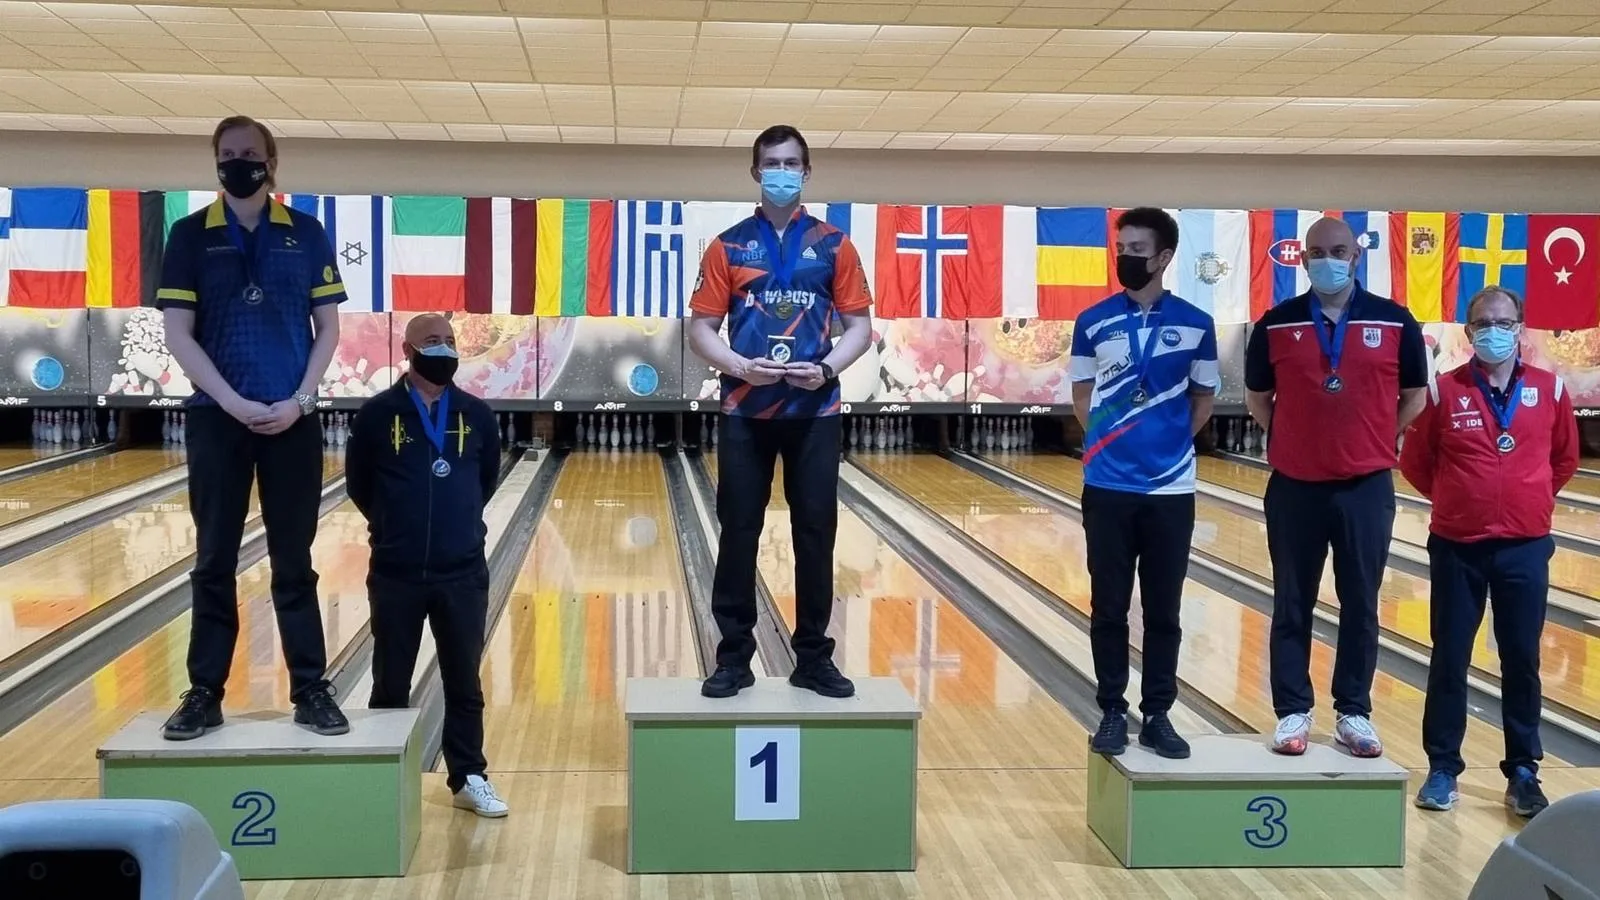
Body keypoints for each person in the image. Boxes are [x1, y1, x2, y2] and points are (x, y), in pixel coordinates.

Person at [156, 115, 348, 740]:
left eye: (251, 154)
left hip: (292, 421)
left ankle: (311, 689)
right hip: (218, 420)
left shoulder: (307, 233)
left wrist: (299, 398)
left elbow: (329, 331)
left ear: (273, 163)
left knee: (294, 561)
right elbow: (178, 335)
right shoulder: (188, 236)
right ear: (216, 161)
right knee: (213, 560)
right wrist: (232, 401)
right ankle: (205, 691)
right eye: (229, 154)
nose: (240, 163)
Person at [687, 124, 873, 699]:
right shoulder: (727, 245)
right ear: (755, 171)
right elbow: (701, 329)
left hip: (815, 410)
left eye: (792, 163)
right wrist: (740, 366)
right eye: (772, 162)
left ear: (807, 172)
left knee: (815, 534)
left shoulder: (836, 245)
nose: (782, 172)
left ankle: (813, 657)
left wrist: (826, 369)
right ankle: (733, 657)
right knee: (739, 533)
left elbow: (860, 328)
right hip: (745, 410)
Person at [1244, 216, 1428, 758]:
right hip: (1295, 487)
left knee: (1362, 604)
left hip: (1365, 488)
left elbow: (1414, 394)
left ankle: (1354, 711)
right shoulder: (1276, 323)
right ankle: (1292, 711)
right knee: (1291, 602)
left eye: (1339, 250)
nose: (1329, 259)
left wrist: (1375, 437)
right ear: (1302, 259)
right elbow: (1259, 398)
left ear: (1356, 255)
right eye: (1318, 251)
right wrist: (1295, 439)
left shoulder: (1395, 321)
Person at [1400, 286, 1575, 819]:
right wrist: (1459, 500)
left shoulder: (1549, 388)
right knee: (1449, 658)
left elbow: (1564, 458)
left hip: (1524, 548)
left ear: (1519, 327)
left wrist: (1530, 500)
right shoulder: (1443, 390)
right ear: (1469, 330)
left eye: (1503, 321)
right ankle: (1443, 768)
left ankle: (1523, 771)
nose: (1493, 330)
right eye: (1482, 323)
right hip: (1457, 547)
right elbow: (1415, 462)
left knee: (1522, 660)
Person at [1069, 207, 1218, 760]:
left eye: (1136, 249)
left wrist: (1166, 442)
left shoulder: (1197, 324)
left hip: (1170, 491)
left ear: (1162, 257)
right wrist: (1108, 441)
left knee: (1164, 610)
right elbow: (1082, 394)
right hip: (1107, 485)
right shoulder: (1093, 321)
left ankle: (1158, 713)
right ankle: (1112, 707)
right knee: (1108, 605)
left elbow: (1202, 400)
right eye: (1121, 247)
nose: (1125, 258)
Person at [345, 313, 508, 817]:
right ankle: (385, 779)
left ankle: (469, 776)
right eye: (432, 342)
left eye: (450, 341)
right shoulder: (377, 414)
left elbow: (485, 481)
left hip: (461, 572)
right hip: (396, 572)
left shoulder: (476, 415)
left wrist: (454, 530)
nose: (444, 349)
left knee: (464, 682)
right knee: (390, 682)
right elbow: (359, 487)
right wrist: (398, 529)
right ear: (408, 349)